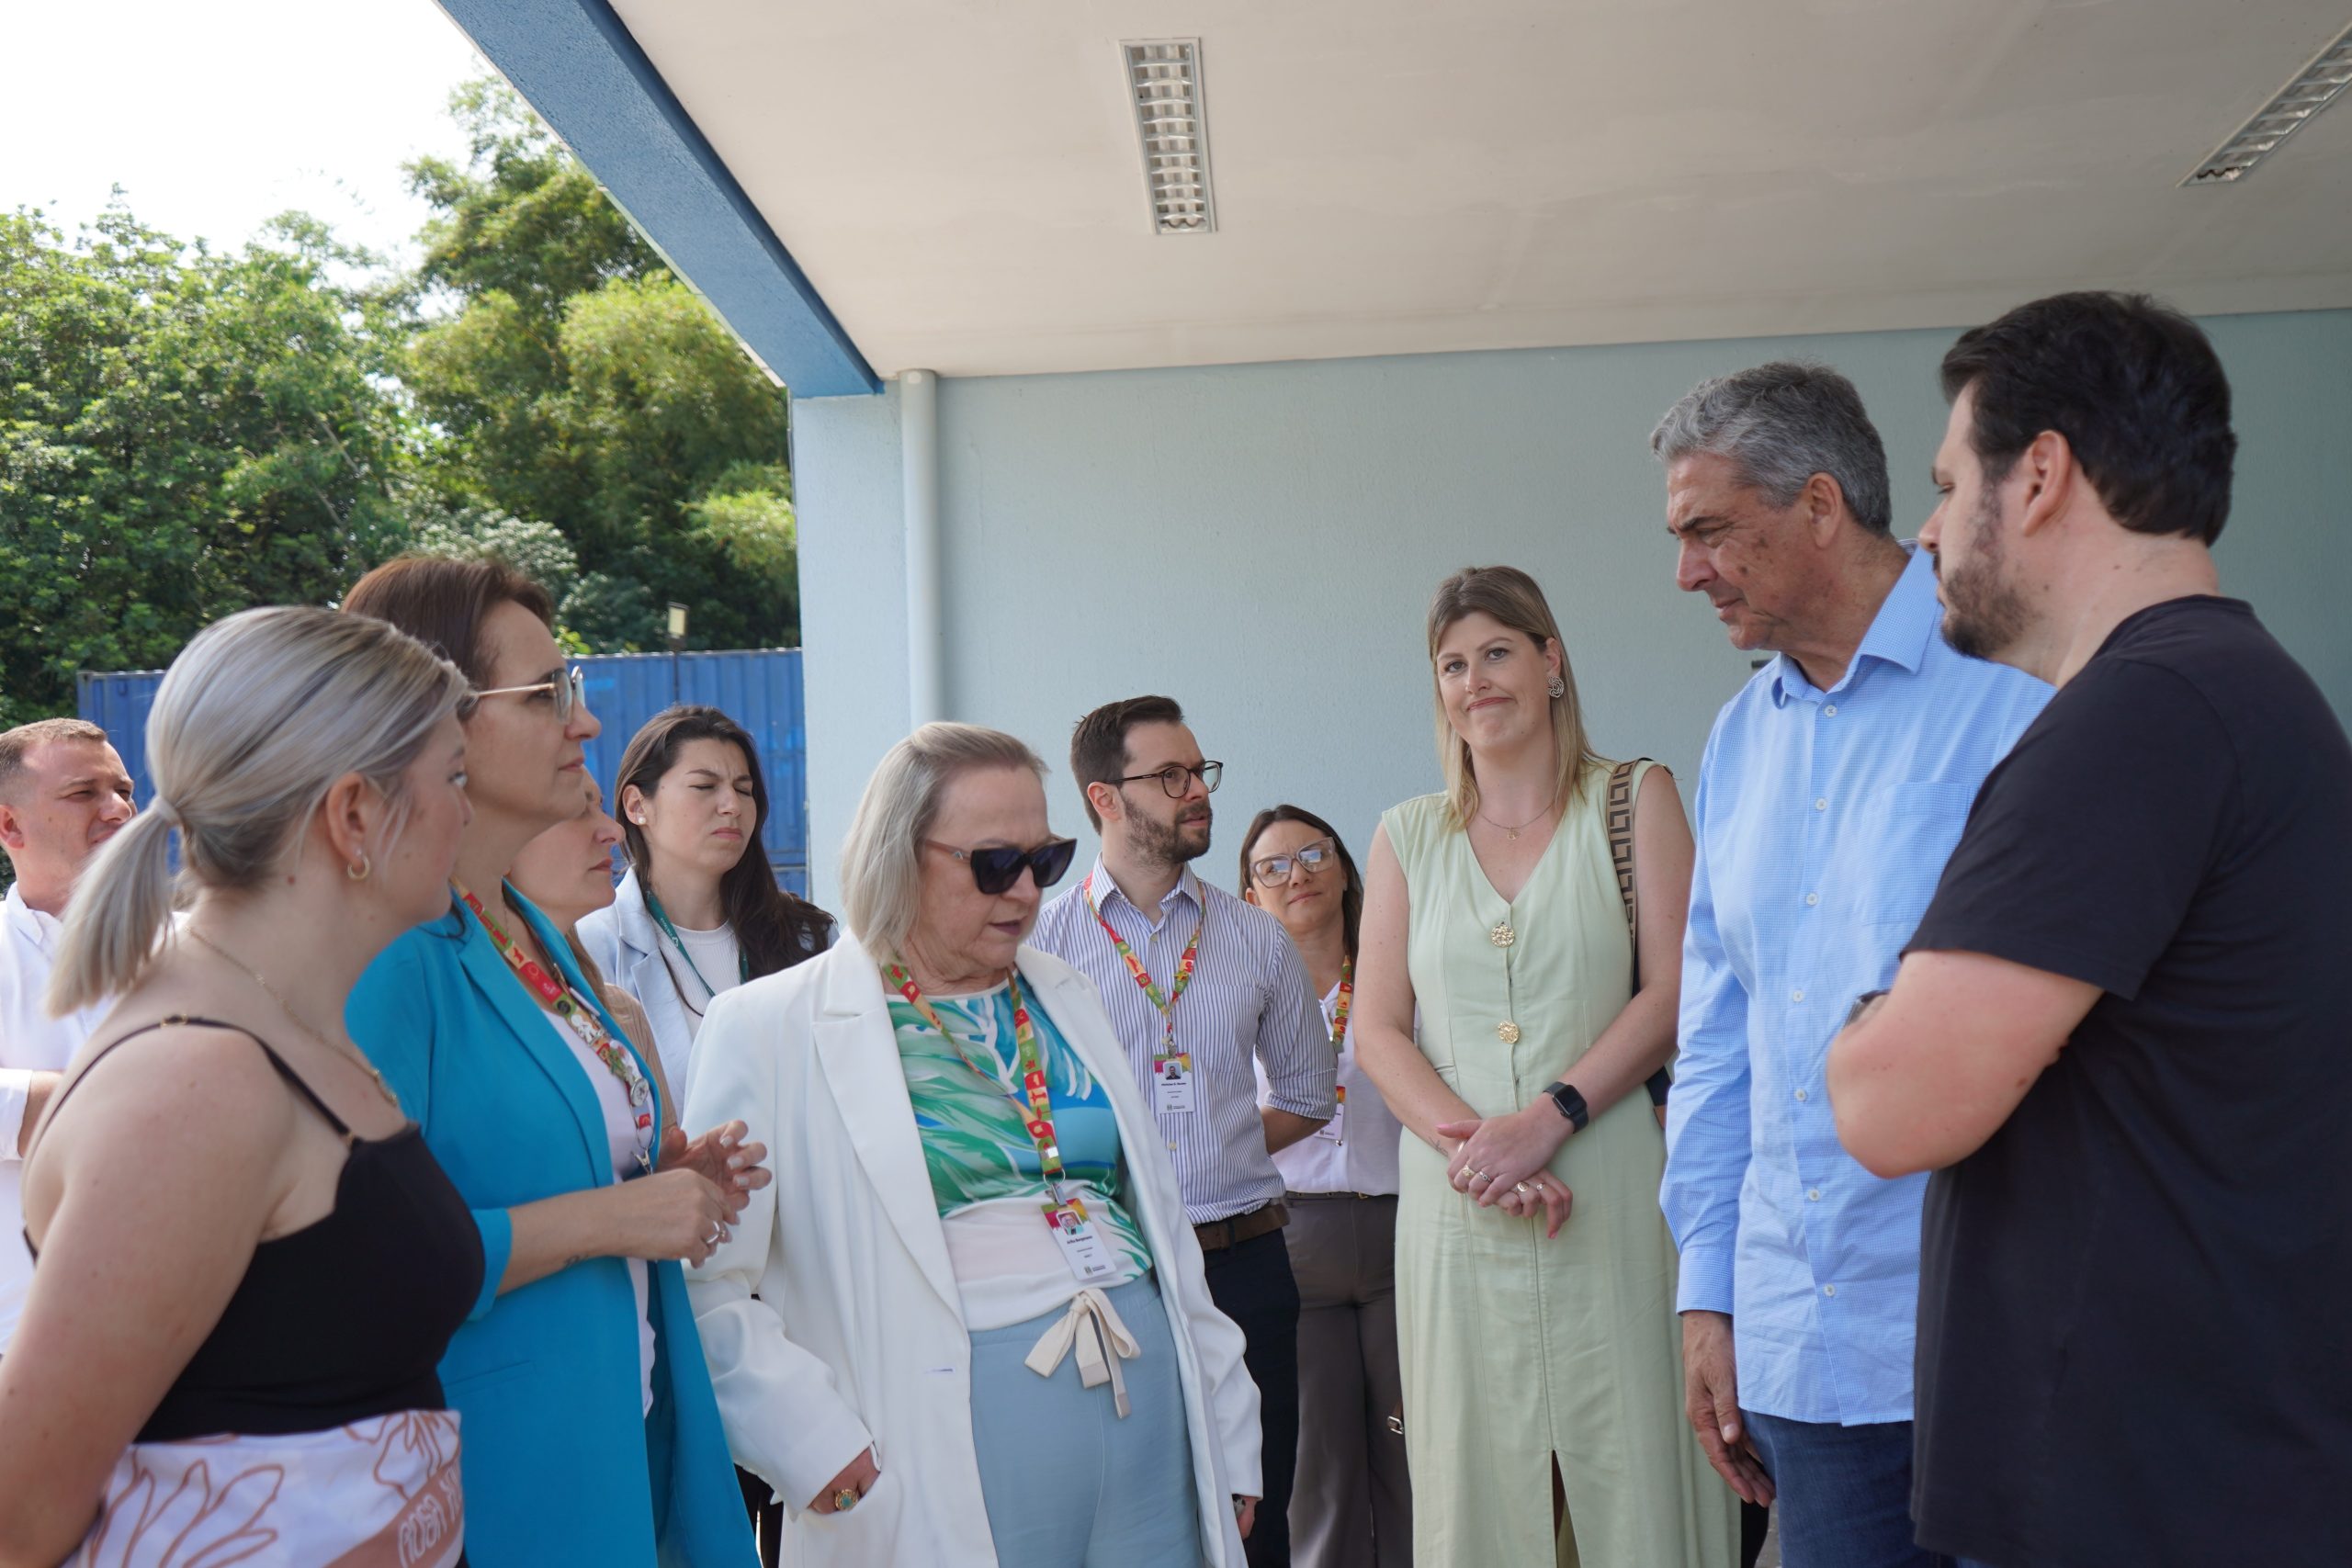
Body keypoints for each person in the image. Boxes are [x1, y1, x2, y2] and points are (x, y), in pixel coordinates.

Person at [1826, 292, 2352, 1568]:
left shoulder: (2140, 718)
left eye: (1953, 483)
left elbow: (1890, 1104)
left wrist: (1865, 1019)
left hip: (2143, 1494)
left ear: (2045, 473)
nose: (1935, 528)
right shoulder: (2234, 698)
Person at [684, 721, 1262, 1566]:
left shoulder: (1066, 993)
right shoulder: (770, 1025)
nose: (1027, 891)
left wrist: (1226, 1419)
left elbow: (1165, 1234)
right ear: (899, 855)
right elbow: (709, 1285)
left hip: (1151, 1423)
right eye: (996, 863)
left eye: (1047, 860)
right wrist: (815, 1450)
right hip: (932, 1453)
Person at [1648, 362, 2048, 1568]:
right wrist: (1709, 1290)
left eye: (1709, 530)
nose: (1687, 571)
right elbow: (1717, 1039)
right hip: (1801, 1352)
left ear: (1820, 503)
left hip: (1999, 1336)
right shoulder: (1737, 742)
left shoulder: (2021, 682)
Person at [0, 606, 480, 1565]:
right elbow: (20, 1519)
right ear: (354, 815)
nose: (469, 810)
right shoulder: (199, 1079)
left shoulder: (271, 1023)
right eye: (454, 777)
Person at [342, 555, 767, 1567]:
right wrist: (614, 1217)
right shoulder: (393, 952)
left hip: (619, 1439)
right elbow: (358, 1260)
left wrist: (665, 1180)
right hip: (499, 1476)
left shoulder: (529, 929)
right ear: (432, 716)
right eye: (545, 695)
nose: (583, 721)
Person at [1354, 566, 1738, 1567]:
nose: (1474, 681)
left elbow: (1674, 993)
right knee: (1478, 1489)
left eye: (1496, 653)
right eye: (1451, 664)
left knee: (1634, 1474)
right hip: (1459, 1212)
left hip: (1606, 1190)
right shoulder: (1405, 835)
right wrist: (1479, 1150)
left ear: (1550, 662)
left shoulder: (1634, 797)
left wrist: (1548, 1119)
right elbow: (1378, 1030)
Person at [1029, 695, 1336, 1567]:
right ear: (1104, 799)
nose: (1196, 790)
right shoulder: (1043, 947)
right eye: (1169, 775)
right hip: (1108, 1269)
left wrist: (1222, 1142)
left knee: (1258, 1517)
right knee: (1126, 1512)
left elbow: (1311, 1094)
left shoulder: (1256, 938)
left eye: (1198, 771)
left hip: (1246, 1265)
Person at [1237, 807, 1411, 1568]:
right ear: (1250, 897)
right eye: (1271, 867)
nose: (1296, 875)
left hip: (1400, 1231)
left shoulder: (1402, 980)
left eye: (1313, 854)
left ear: (1345, 870)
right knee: (1319, 1461)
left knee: (1417, 1446)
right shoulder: (1235, 1000)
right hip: (1295, 1238)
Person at [580, 705, 836, 1089]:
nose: (732, 806)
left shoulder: (808, 936)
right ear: (637, 806)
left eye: (744, 789)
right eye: (705, 787)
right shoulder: (591, 946)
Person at [0, 717, 136, 1355]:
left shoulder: (204, 949)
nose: (118, 809)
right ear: (8, 826)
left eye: (124, 788)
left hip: (192, 1350)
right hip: (24, 1349)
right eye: (85, 792)